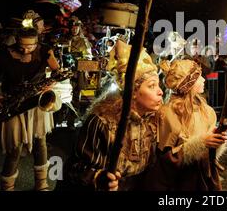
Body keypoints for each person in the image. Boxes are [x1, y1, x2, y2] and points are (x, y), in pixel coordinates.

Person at [58, 49, 163, 191]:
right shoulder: (102, 122)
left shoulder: (152, 120)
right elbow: (76, 169)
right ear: (133, 92)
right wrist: (99, 178)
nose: (160, 91)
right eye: (152, 86)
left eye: (158, 85)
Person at [0, 27, 61, 190]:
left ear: (37, 42)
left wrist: (48, 86)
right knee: (15, 148)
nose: (25, 49)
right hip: (14, 103)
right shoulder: (5, 53)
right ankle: (7, 186)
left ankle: (41, 184)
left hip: (37, 102)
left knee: (41, 143)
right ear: (16, 40)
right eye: (22, 45)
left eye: (30, 46)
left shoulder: (45, 51)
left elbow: (57, 72)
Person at [149, 59, 227, 191]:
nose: (203, 80)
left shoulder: (207, 111)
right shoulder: (167, 113)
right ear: (188, 82)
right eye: (198, 77)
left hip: (203, 180)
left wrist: (217, 140)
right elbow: (165, 159)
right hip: (179, 183)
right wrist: (200, 143)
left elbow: (210, 154)